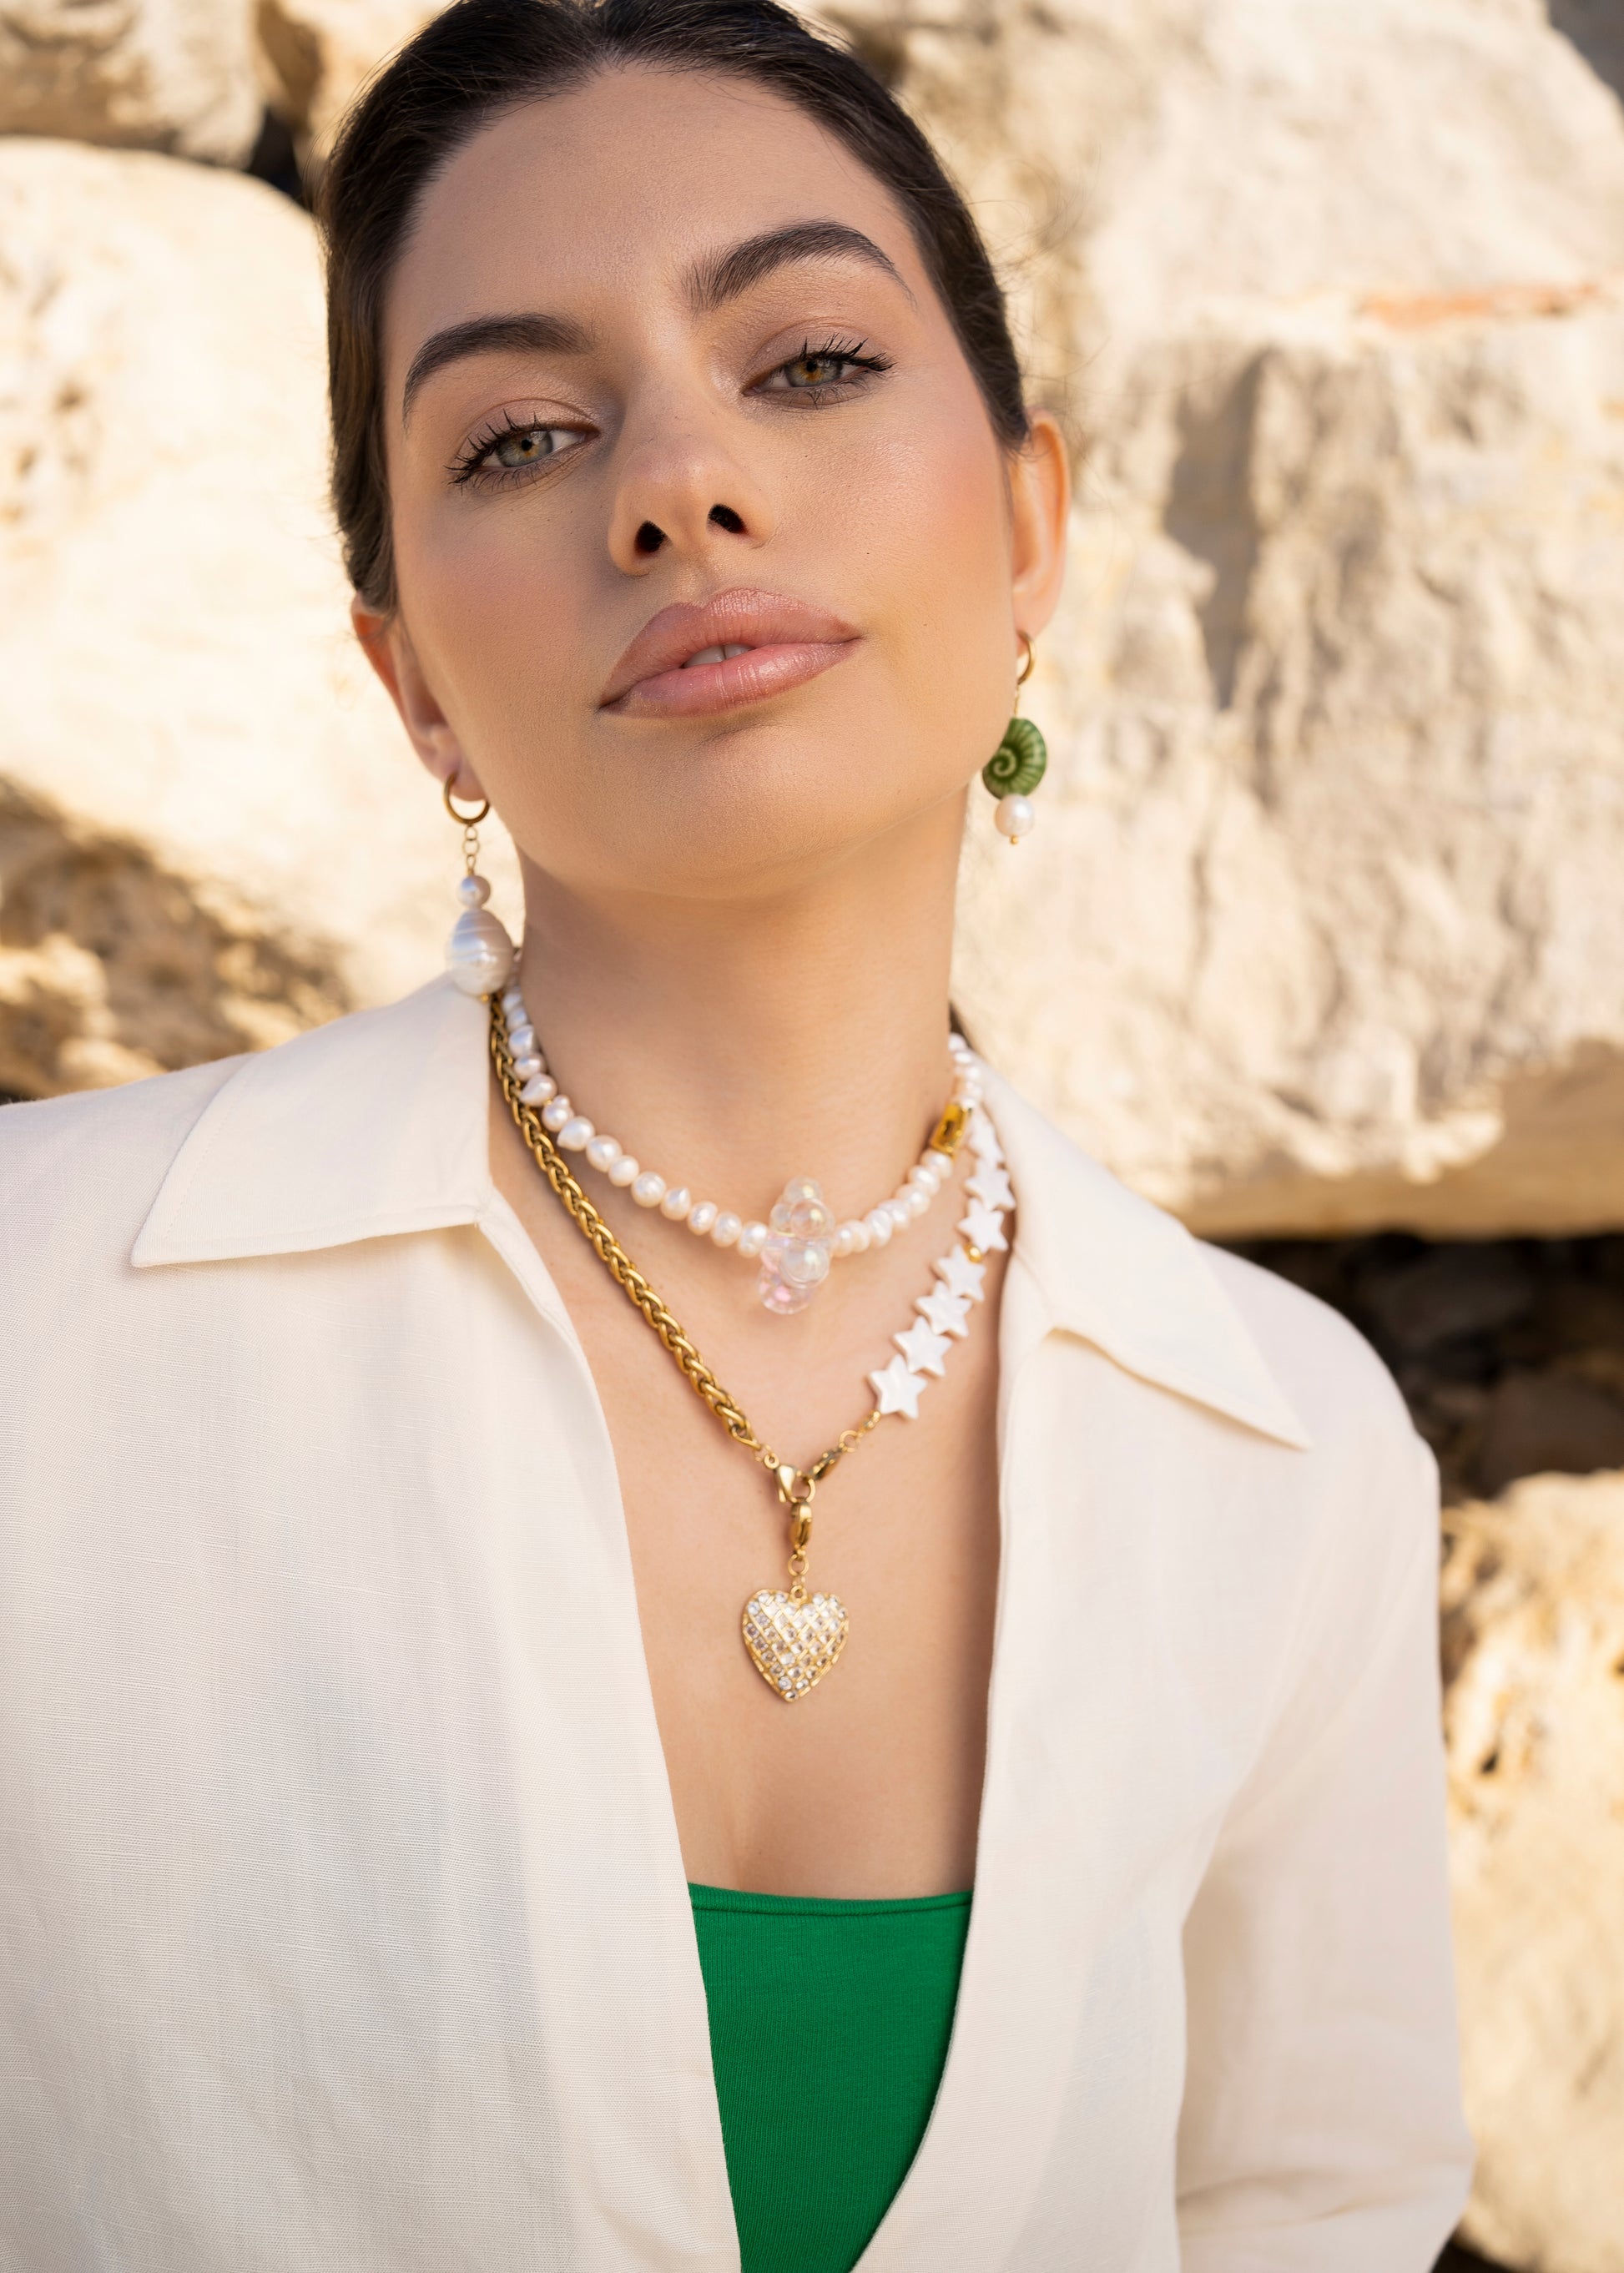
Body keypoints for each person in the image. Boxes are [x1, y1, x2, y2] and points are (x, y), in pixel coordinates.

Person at [0, 2, 1473, 2265]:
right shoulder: (44, 1324)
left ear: (1028, 528)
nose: (677, 485)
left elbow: (1315, 2209)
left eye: (806, 362)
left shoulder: (1285, 1451)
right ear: (412, 682)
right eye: (520, 434)